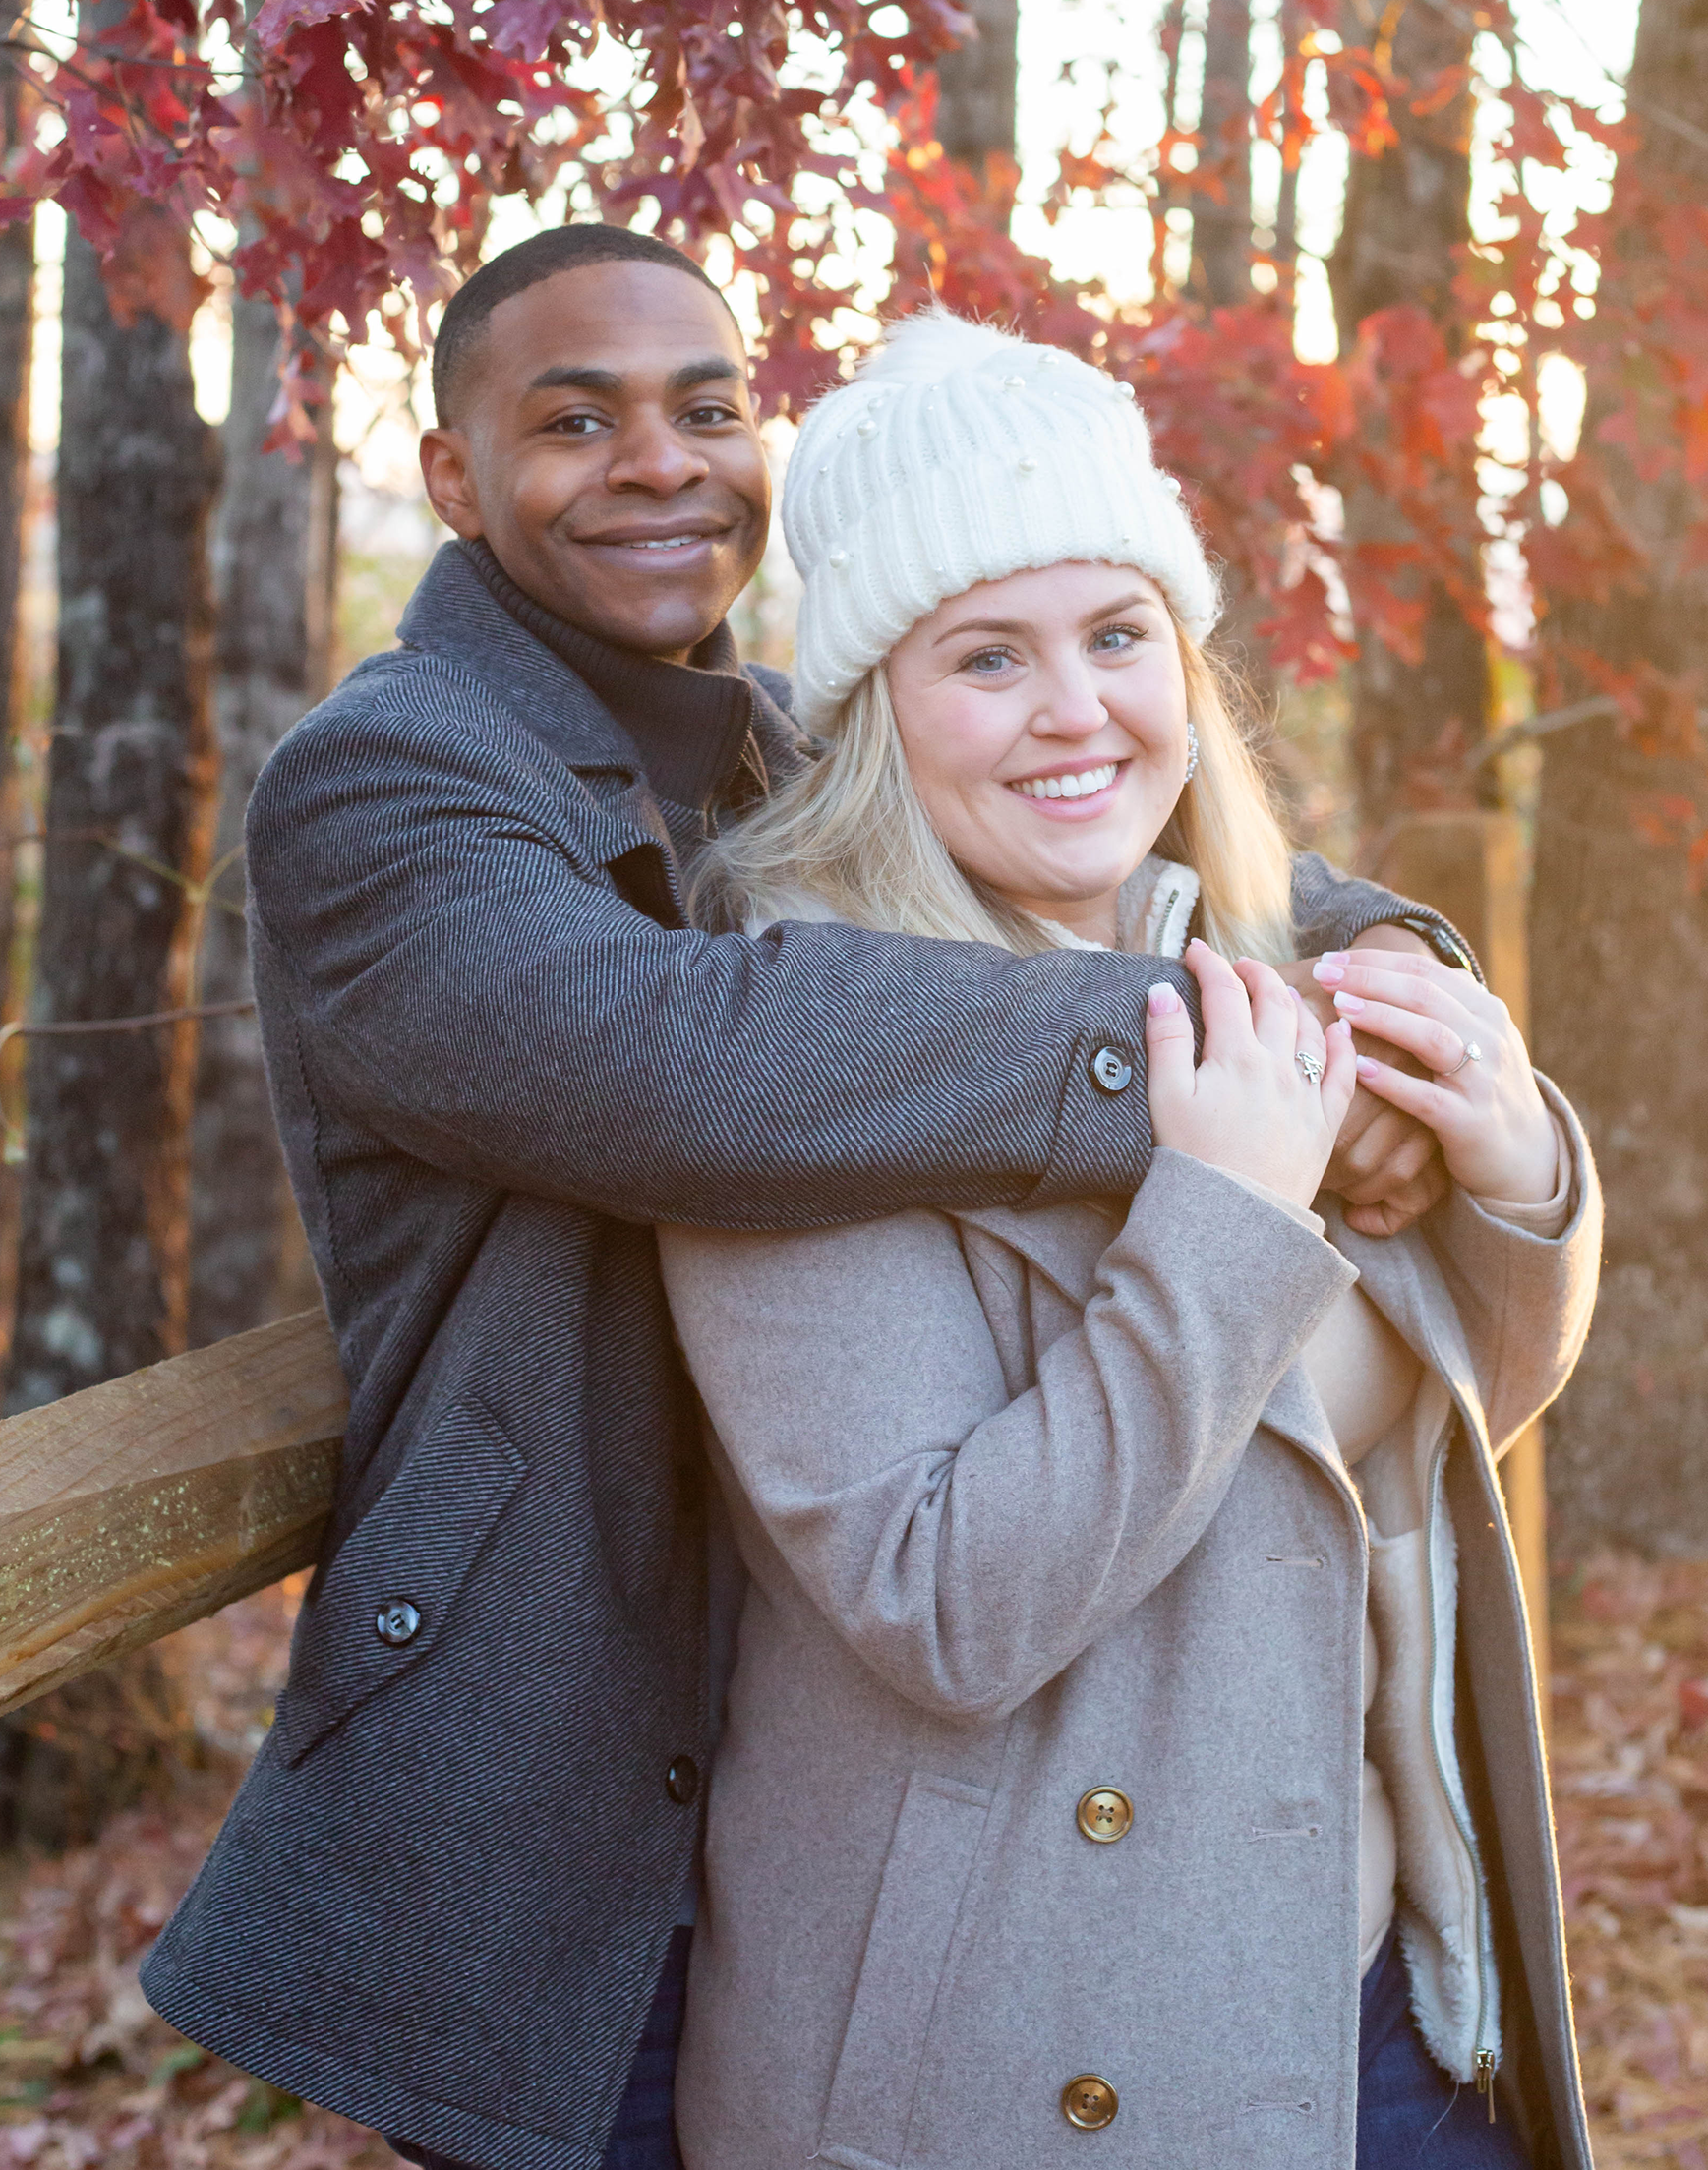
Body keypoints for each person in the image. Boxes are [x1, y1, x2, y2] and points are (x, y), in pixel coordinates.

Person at [142, 229, 1477, 2170]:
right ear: (448, 475)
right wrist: (1197, 1056)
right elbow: (660, 1057)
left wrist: (1399, 992)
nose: (658, 461)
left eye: (706, 407)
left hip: (815, 1695)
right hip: (574, 1728)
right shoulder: (384, 780)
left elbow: (1190, 825)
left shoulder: (780, 727)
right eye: (573, 420)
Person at [660, 310, 1601, 2170]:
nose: (1077, 708)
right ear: (869, 711)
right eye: (986, 658)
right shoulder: (792, 1059)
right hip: (1028, 2045)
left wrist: (1516, 1175)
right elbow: (943, 1607)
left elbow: (1415, 1436)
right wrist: (1226, 1219)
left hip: (1374, 1991)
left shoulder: (1236, 966)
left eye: (1117, 635)